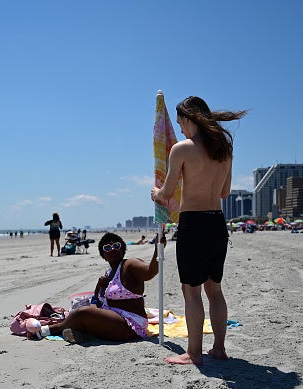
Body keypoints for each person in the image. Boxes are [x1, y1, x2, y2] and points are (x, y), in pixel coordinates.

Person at [151, 95, 247, 365]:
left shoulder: (181, 149)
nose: (180, 128)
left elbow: (167, 193)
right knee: (214, 290)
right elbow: (225, 192)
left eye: (181, 121)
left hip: (193, 224)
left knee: (190, 290)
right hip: (217, 223)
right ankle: (219, 348)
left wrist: (155, 193)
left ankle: (193, 353)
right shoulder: (224, 150)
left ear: (190, 119)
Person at [27, 232, 159, 343]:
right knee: (82, 312)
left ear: (122, 249)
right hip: (114, 318)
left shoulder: (130, 264)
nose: (112, 249)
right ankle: (81, 335)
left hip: (131, 324)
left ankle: (47, 330)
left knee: (82, 313)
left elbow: (150, 271)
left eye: (116, 246)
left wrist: (158, 249)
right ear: (103, 255)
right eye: (107, 248)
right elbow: (97, 299)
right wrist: (99, 286)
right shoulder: (109, 273)